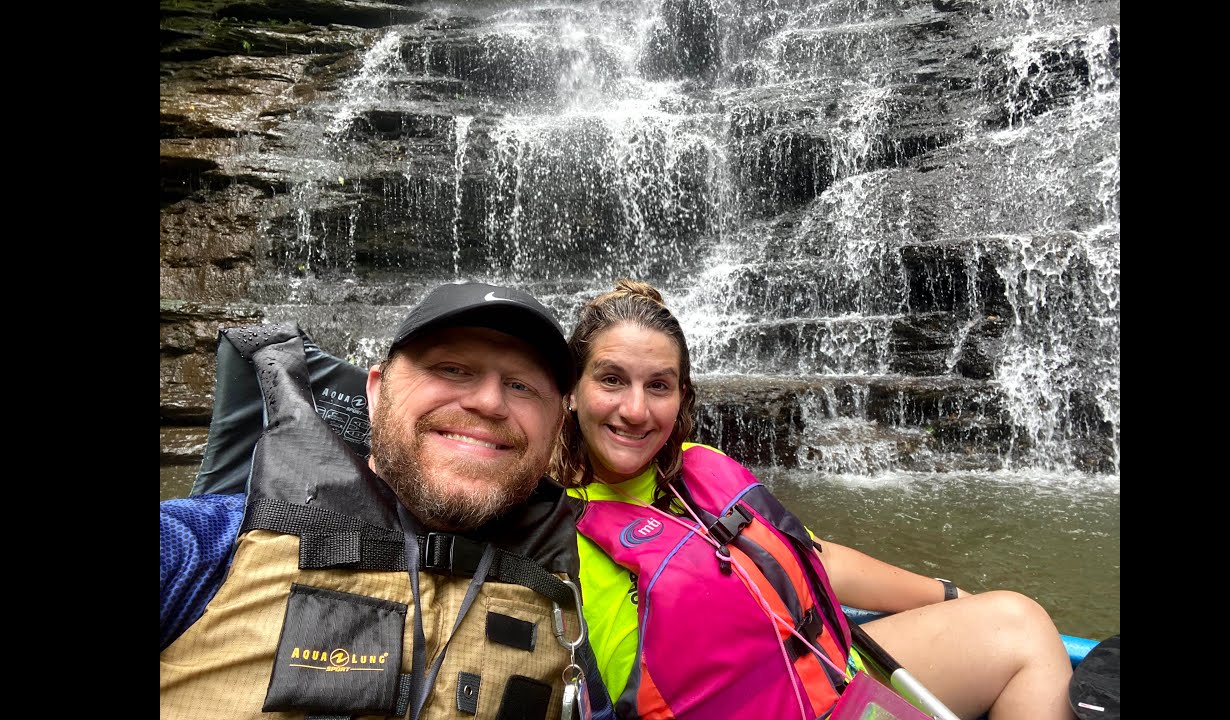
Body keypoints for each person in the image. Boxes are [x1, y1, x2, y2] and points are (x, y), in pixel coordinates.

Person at [549, 279, 1075, 720]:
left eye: (659, 385)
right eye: (612, 380)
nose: (636, 410)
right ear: (570, 389)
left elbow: (808, 556)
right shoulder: (542, 526)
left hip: (828, 681)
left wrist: (948, 594)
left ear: (683, 396)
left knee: (1019, 623)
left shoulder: (700, 465)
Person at [161, 282, 612, 720]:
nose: (489, 402)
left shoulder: (560, 613)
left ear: (556, 429)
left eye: (522, 386)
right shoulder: (205, 546)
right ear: (375, 393)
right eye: (452, 368)